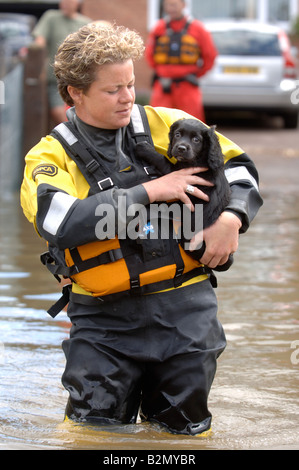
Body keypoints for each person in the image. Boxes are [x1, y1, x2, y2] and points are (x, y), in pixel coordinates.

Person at [20, 23, 263, 436]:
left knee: (184, 439)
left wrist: (231, 219)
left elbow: (241, 169)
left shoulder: (169, 123)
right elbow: (61, 222)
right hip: (103, 324)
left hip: (187, 314)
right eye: (112, 89)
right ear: (75, 92)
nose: (128, 97)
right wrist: (152, 190)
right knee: (91, 437)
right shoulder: (48, 156)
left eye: (131, 84)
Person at [145, 0, 217, 122]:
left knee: (192, 124)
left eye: (174, 5)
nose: (171, 8)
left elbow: (210, 56)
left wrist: (195, 74)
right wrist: (162, 72)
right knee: (157, 122)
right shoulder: (159, 28)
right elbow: (149, 54)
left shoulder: (198, 29)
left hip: (187, 86)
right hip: (163, 86)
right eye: (168, 5)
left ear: (184, 5)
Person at [33, 0, 91, 125]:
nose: (65, 3)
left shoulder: (85, 23)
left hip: (78, 77)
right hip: (55, 78)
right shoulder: (51, 17)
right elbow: (39, 42)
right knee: (59, 112)